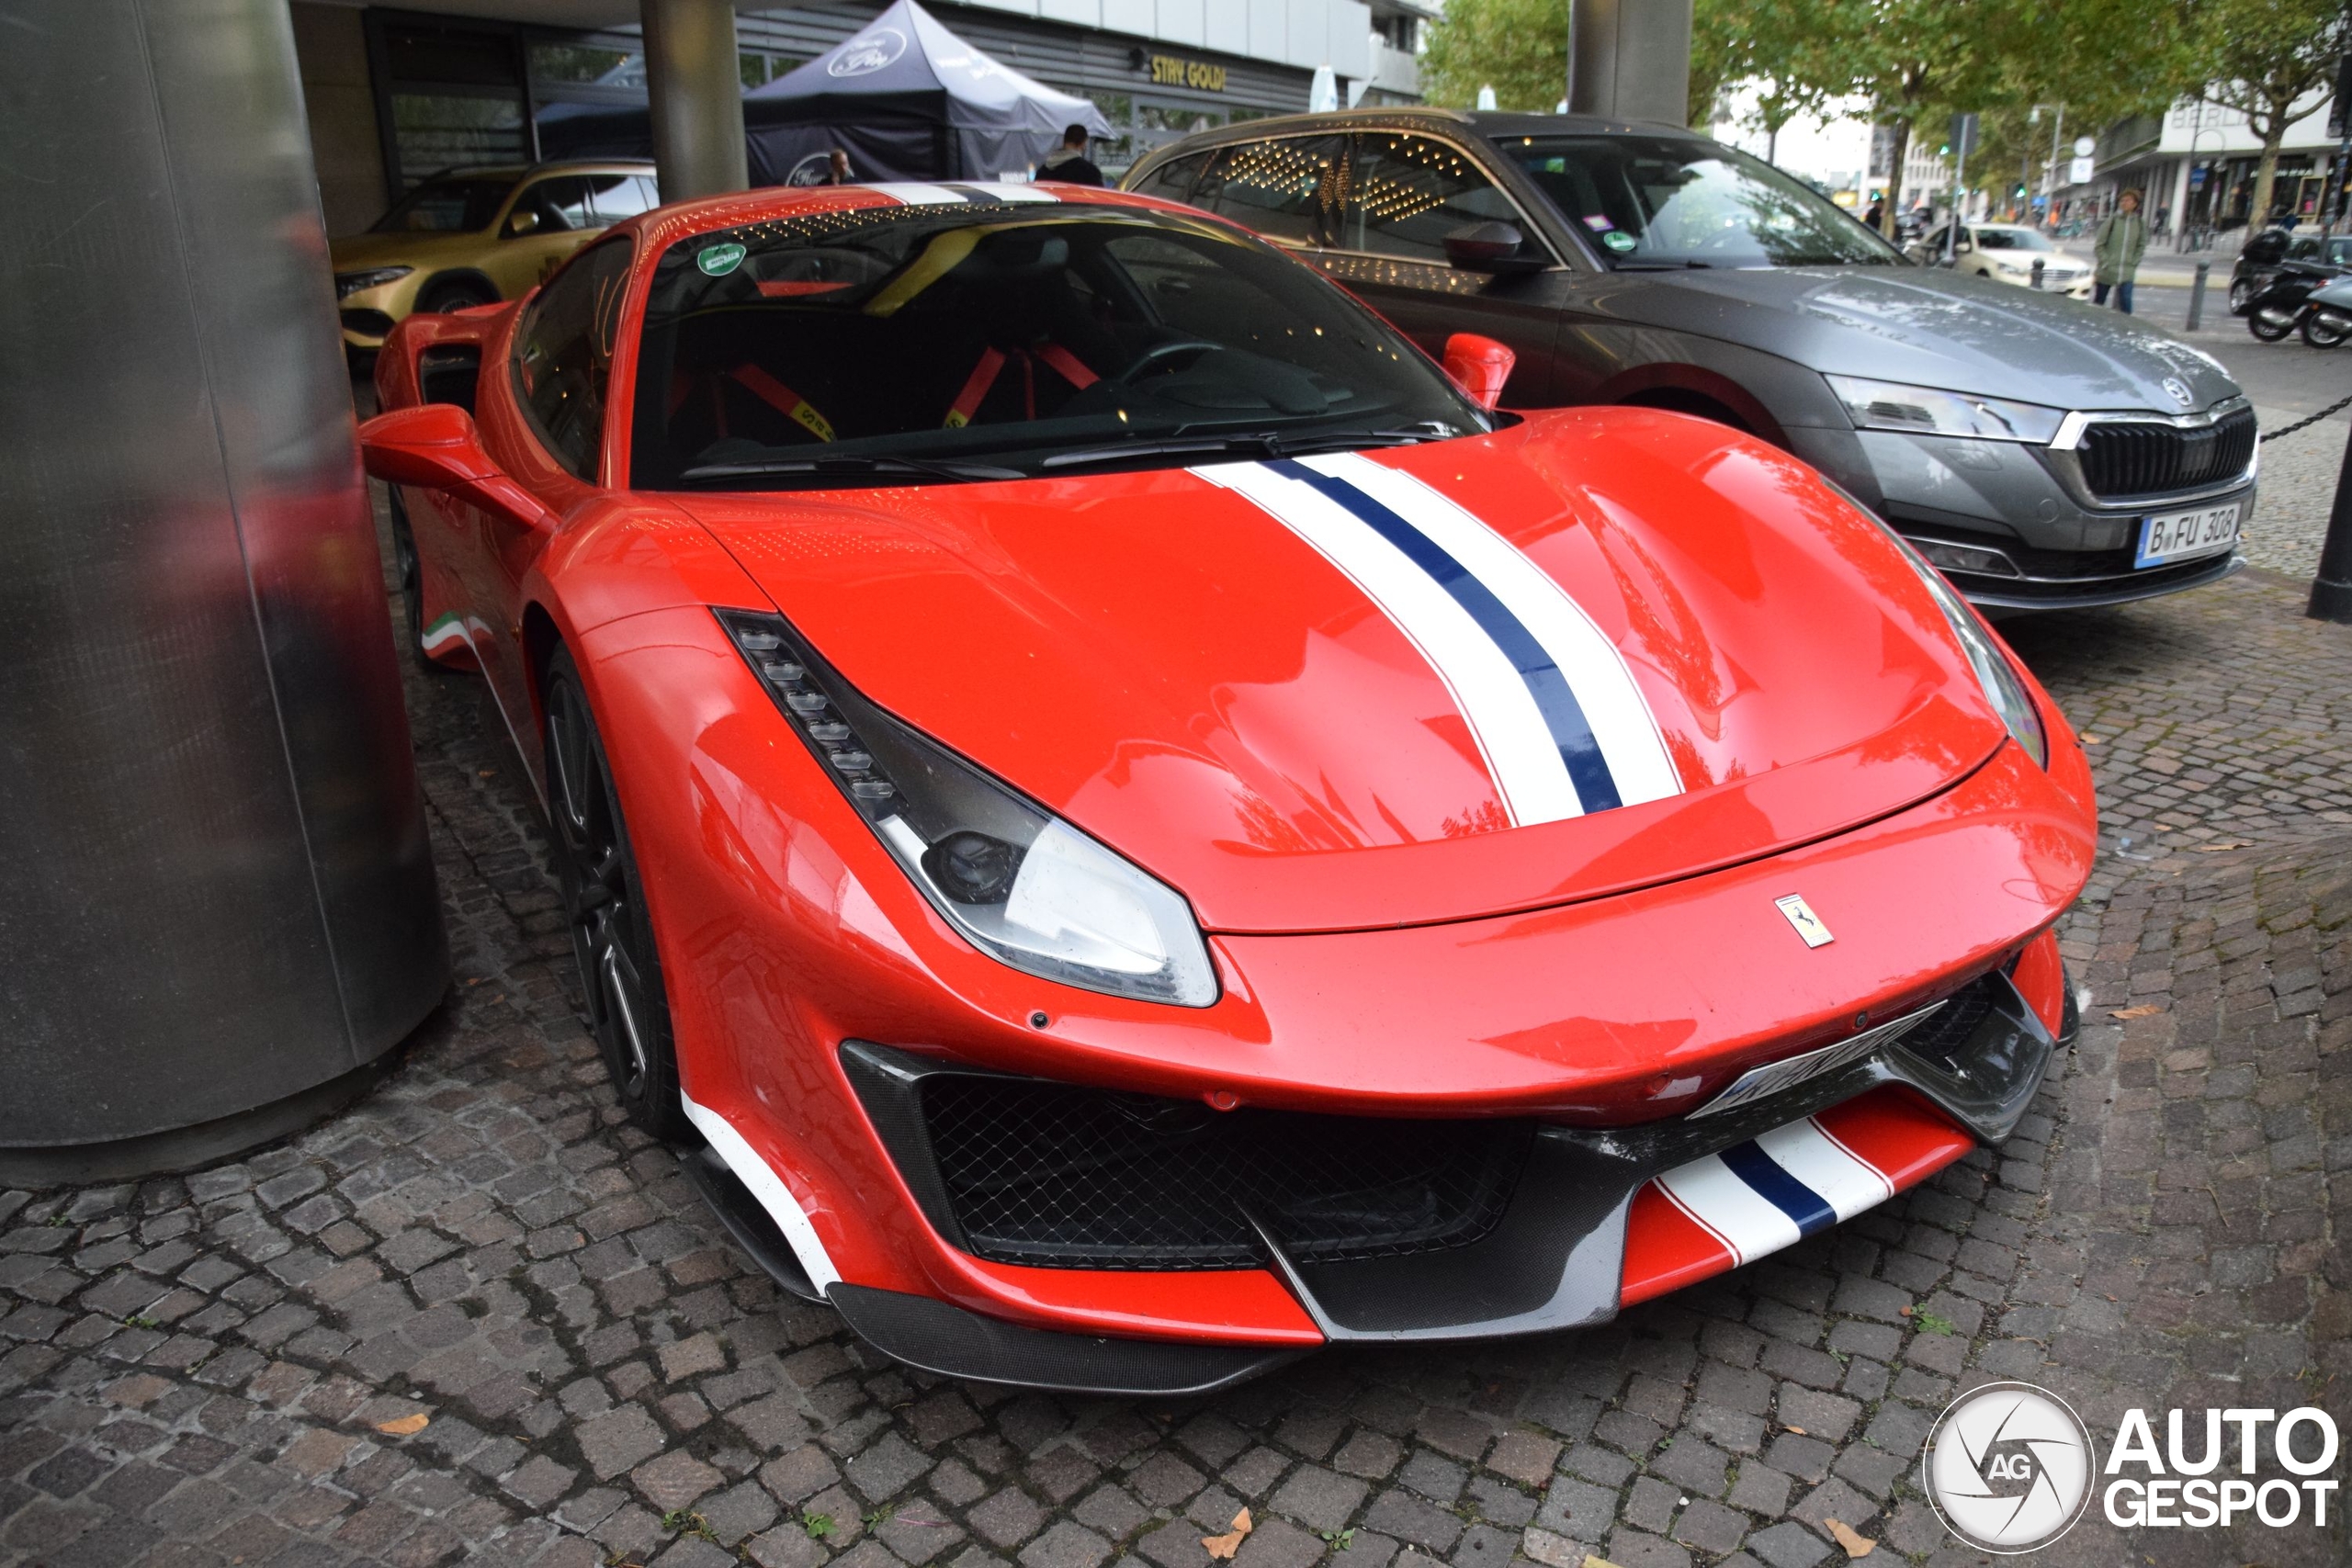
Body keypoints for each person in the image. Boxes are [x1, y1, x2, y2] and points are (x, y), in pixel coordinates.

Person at [2094, 187, 2148, 312]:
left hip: (2127, 270)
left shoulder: (2139, 223)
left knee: (2126, 301)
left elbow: (2141, 245)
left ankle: (2126, 328)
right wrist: (2105, 261)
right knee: (2099, 302)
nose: (2124, 203)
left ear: (2135, 204)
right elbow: (2099, 244)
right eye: (2122, 200)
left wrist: (2135, 261)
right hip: (2108, 269)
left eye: (2128, 200)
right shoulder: (2112, 221)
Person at [1036, 124, 1103, 186]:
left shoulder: (1043, 170)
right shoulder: (1089, 171)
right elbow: (1099, 196)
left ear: (1064, 141)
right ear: (1083, 143)